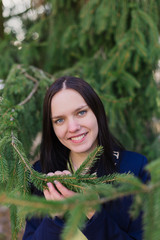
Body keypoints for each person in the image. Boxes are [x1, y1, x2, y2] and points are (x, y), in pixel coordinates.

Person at [23, 76, 149, 240]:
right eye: (59, 120)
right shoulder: (41, 174)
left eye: (81, 112)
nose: (73, 127)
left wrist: (93, 213)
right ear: (52, 127)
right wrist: (55, 218)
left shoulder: (135, 167)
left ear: (97, 112)